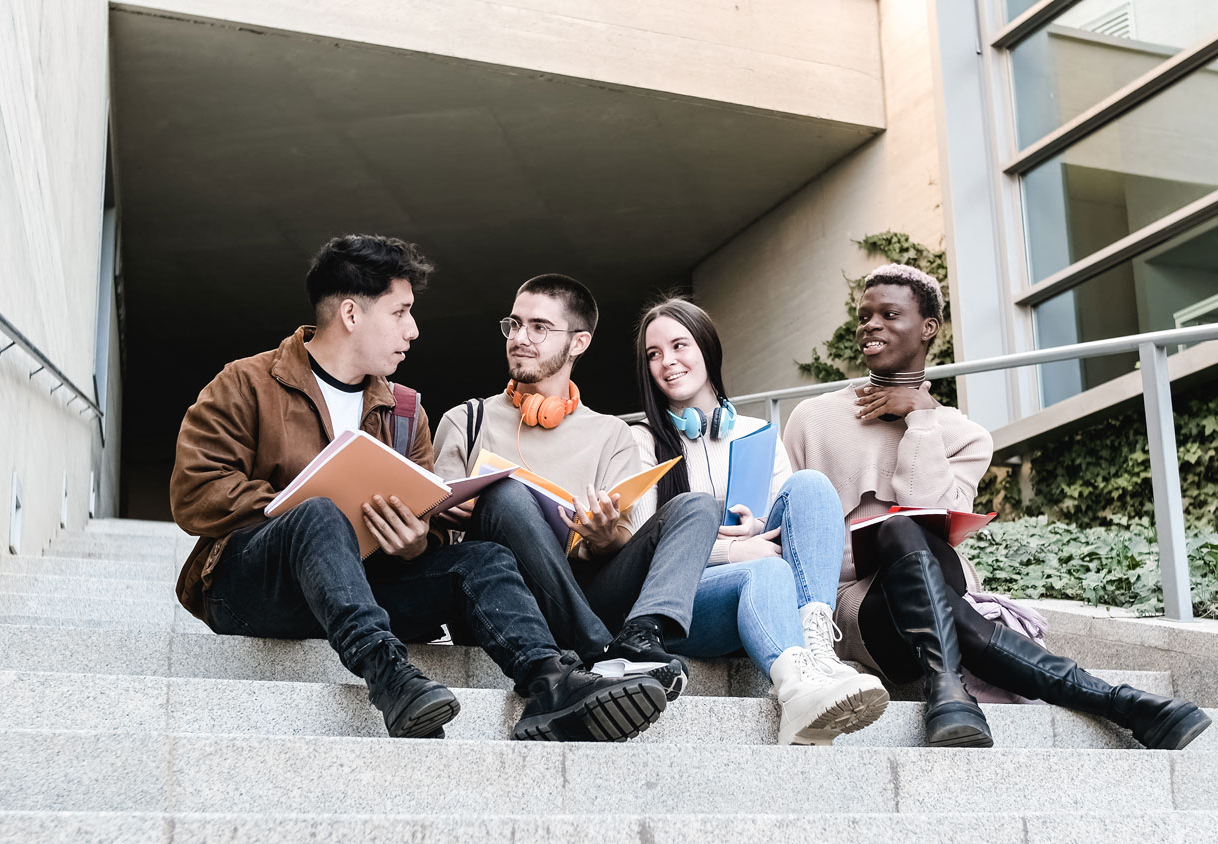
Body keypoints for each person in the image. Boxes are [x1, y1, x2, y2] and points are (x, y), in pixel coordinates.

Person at [169, 235, 667, 743]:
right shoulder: (246, 383)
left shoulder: (406, 412)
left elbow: (423, 533)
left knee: (485, 560)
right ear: (351, 314)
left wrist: (414, 541)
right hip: (257, 589)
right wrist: (316, 510)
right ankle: (391, 678)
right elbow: (196, 493)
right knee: (320, 515)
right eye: (401, 312)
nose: (414, 329)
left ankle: (552, 684)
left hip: (359, 590)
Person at [782, 263, 1212, 750]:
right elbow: (797, 532)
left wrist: (922, 421)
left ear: (928, 329)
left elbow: (931, 518)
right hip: (859, 613)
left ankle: (948, 694)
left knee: (904, 531)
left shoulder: (964, 436)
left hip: (935, 587)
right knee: (899, 538)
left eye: (888, 314)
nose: (870, 326)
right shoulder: (812, 420)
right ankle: (1119, 703)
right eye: (864, 317)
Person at [433, 274, 720, 699]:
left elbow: (616, 543)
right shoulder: (466, 420)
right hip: (502, 604)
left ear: (579, 343)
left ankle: (642, 634)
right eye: (513, 324)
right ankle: (600, 650)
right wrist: (449, 511)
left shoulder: (611, 434)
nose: (519, 338)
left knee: (698, 505)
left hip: (587, 589)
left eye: (539, 327)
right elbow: (437, 541)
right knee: (506, 493)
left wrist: (605, 537)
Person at [628, 297, 890, 745]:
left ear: (707, 348)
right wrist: (733, 550)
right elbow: (639, 544)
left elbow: (801, 544)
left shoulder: (757, 433)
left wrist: (759, 529)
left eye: (679, 346)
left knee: (811, 485)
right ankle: (797, 691)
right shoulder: (641, 441)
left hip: (767, 597)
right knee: (764, 567)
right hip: (688, 605)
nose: (667, 362)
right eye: (654, 354)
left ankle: (818, 652)